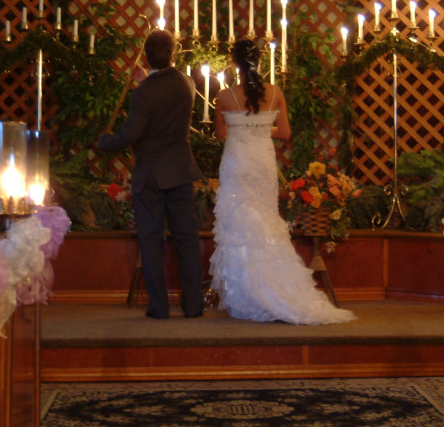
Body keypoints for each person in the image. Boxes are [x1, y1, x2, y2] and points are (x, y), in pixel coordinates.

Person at [208, 39, 356, 325]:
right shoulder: (275, 92)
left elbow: (220, 133)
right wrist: (261, 125)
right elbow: (285, 132)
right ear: (260, 62)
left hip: (237, 163)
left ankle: (245, 292)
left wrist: (243, 126)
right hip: (263, 163)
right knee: (265, 220)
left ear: (235, 63)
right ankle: (274, 289)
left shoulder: (225, 96)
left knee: (240, 224)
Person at [97, 29, 203, 319]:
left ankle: (159, 307)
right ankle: (194, 306)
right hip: (181, 171)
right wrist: (147, 80)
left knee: (152, 240)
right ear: (173, 54)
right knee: (187, 240)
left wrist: (105, 140)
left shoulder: (143, 94)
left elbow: (131, 133)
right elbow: (166, 102)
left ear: (146, 56)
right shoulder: (186, 83)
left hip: (151, 176)